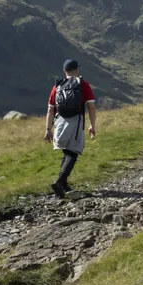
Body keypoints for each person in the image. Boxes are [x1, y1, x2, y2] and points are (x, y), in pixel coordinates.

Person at [44, 59, 97, 198]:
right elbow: (91, 107)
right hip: (76, 122)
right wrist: (92, 125)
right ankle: (59, 182)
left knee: (67, 152)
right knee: (73, 153)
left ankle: (64, 184)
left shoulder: (57, 86)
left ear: (64, 71)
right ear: (76, 70)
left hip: (60, 123)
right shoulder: (83, 85)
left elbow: (50, 110)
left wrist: (48, 130)